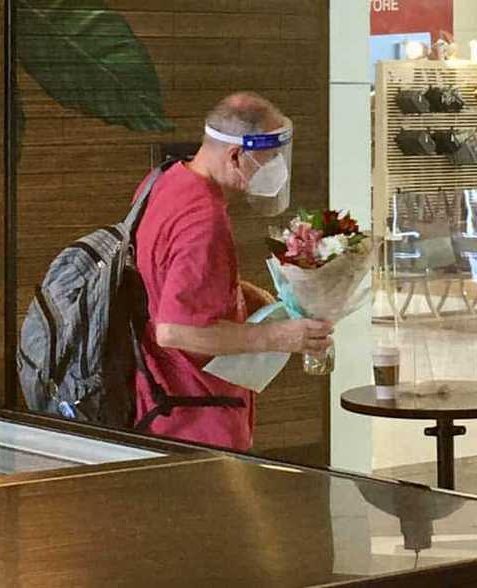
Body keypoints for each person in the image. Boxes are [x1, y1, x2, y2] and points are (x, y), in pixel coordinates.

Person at [132, 93, 333, 451]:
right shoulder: (202, 220)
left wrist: (240, 292)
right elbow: (175, 330)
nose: (276, 169)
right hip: (195, 418)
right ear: (236, 156)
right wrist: (278, 337)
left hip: (160, 402)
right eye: (269, 159)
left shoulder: (165, 181)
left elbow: (167, 277)